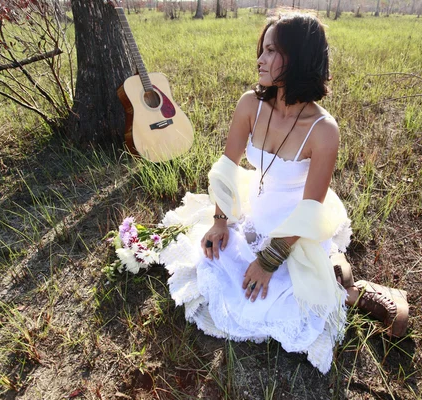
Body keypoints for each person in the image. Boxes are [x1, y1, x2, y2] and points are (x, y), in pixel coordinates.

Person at [159, 13, 408, 374]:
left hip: (295, 230)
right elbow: (228, 167)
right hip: (254, 209)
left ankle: (354, 289)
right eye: (262, 49)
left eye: (271, 50)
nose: (260, 58)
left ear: (299, 57)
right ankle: (335, 272)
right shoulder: (250, 104)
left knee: (292, 305)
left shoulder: (324, 131)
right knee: (211, 262)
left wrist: (269, 260)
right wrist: (219, 220)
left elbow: (310, 208)